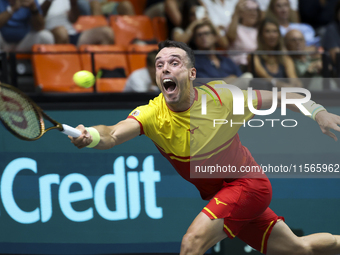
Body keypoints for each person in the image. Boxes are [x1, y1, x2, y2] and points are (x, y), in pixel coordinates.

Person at [69, 39, 340, 255]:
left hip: (248, 185)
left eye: (174, 63)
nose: (165, 68)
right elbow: (113, 134)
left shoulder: (223, 99)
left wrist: (318, 112)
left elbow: (281, 97)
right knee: (298, 249)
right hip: (225, 194)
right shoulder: (151, 114)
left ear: (191, 73)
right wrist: (91, 135)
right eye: (159, 64)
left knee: (192, 243)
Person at [252, 18, 302, 89]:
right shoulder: (255, 56)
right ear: (261, 35)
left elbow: (293, 77)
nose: (272, 35)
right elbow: (265, 77)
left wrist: (297, 85)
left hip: (284, 95)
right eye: (267, 31)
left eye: (275, 31)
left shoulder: (284, 57)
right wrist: (285, 86)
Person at [39, 0, 114, 46]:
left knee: (107, 33)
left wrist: (73, 3)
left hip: (72, 33)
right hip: (51, 35)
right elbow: (38, 18)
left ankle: (104, 70)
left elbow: (73, 19)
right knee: (61, 32)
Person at [226, 0, 261, 69]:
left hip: (257, 66)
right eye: (250, 10)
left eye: (255, 10)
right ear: (241, 13)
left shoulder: (258, 30)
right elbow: (230, 37)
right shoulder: (235, 28)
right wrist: (236, 14)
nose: (254, 13)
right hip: (239, 67)